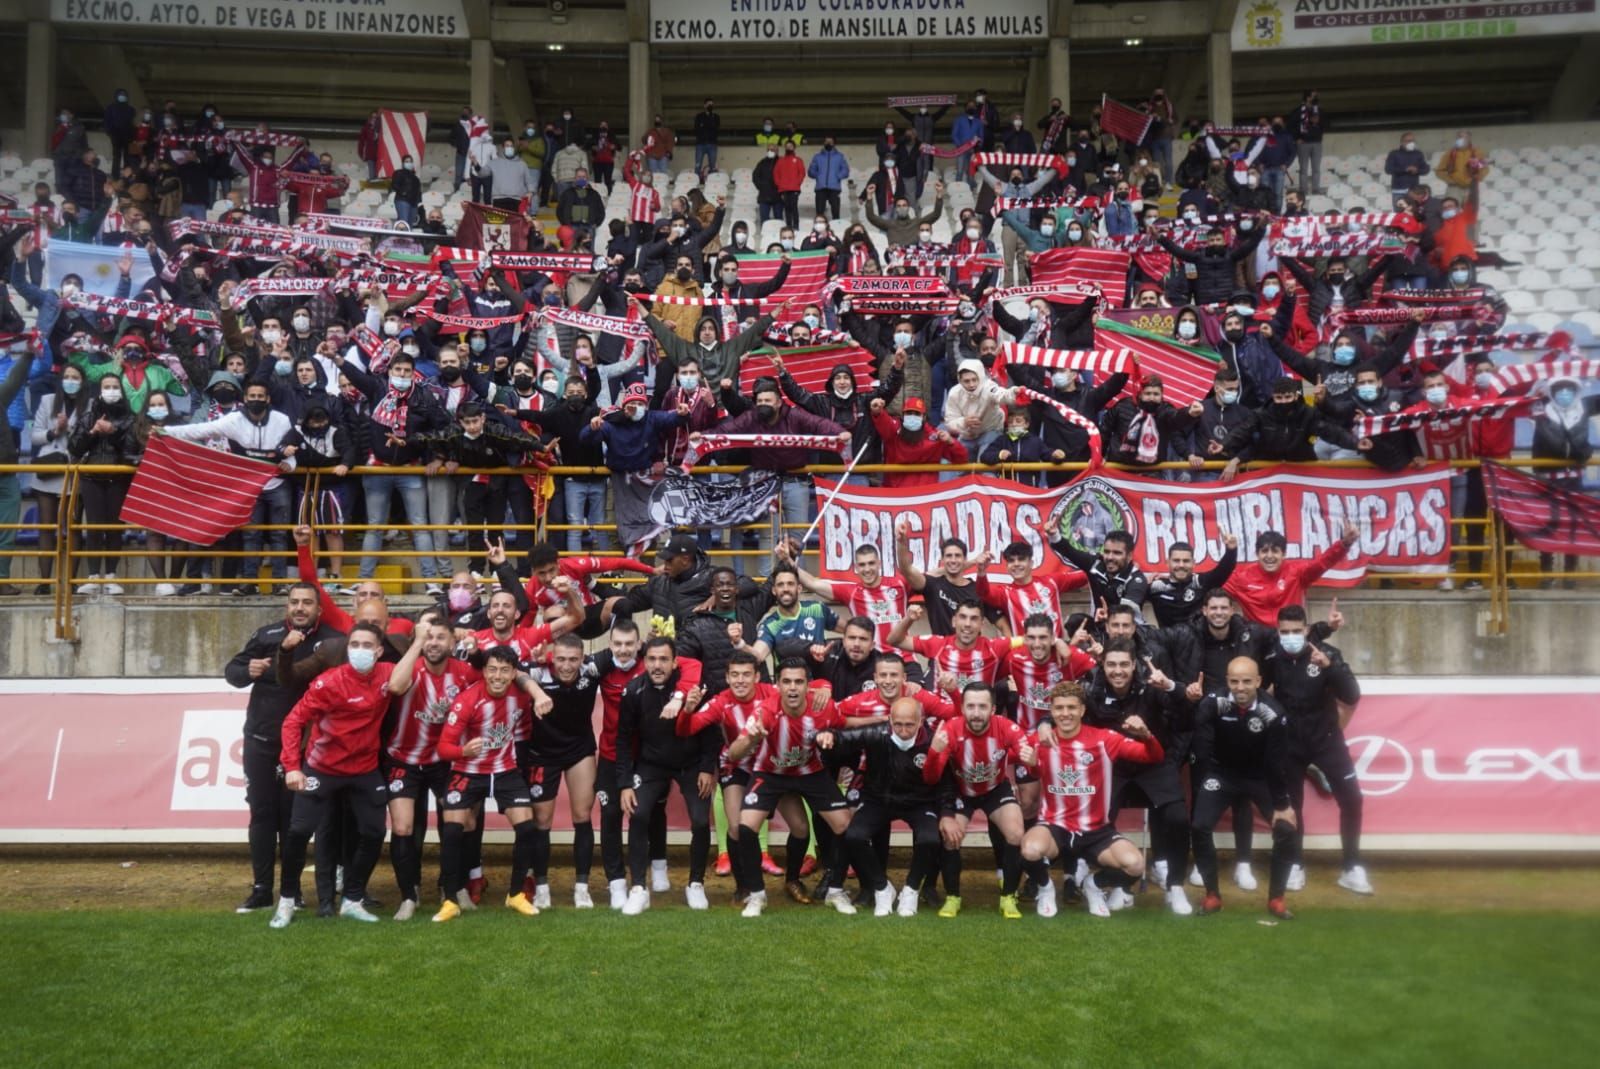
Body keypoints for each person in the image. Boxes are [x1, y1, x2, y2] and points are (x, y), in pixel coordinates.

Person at [268, 622, 420, 928]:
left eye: (367, 646)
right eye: (355, 645)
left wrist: (420, 640)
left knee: (374, 833)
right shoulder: (329, 683)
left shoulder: (387, 674)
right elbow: (293, 722)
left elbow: (404, 679)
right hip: (322, 768)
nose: (360, 651)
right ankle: (286, 901)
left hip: (364, 769)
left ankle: (352, 899)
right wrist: (292, 766)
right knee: (298, 833)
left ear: (378, 651)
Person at [224, 583, 341, 913]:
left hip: (305, 746)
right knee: (262, 815)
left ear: (319, 609)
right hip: (261, 741)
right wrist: (247, 670)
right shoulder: (267, 634)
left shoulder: (331, 641)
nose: (300, 608)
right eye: (294, 602)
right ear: (287, 607)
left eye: (307, 603)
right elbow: (232, 672)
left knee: (295, 820)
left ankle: (293, 890)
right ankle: (261, 889)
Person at [1020, 681, 1166, 918]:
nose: (1065, 714)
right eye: (1059, 708)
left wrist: (1147, 735)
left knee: (1136, 865)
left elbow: (1154, 756)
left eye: (1071, 708)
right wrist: (1031, 762)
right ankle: (1046, 888)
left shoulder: (1104, 739)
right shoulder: (1040, 742)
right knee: (1029, 850)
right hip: (1055, 826)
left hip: (1096, 830)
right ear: (1052, 711)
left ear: (1082, 710)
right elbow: (1034, 771)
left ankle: (1094, 885)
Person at [725, 659, 852, 917]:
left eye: (798, 682)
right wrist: (753, 738)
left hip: (810, 773)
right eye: (786, 682)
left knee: (844, 826)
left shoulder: (822, 706)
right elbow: (733, 754)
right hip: (771, 774)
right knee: (745, 826)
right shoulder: (765, 711)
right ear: (777, 685)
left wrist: (886, 720)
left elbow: (847, 724)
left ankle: (834, 890)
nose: (792, 688)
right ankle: (756, 895)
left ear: (808, 686)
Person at [431, 646, 548, 923]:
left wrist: (539, 694)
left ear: (512, 674)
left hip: (505, 771)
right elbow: (443, 748)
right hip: (468, 770)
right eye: (492, 669)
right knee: (453, 830)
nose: (498, 676)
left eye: (504, 670)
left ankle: (516, 894)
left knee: (528, 827)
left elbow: (531, 691)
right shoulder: (467, 700)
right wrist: (463, 752)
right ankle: (449, 900)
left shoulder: (520, 697)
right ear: (484, 671)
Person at [1264, 606, 1370, 896]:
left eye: (1296, 631)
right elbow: (1259, 691)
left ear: (1307, 630)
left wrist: (1329, 668)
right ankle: (1294, 864)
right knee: (1291, 806)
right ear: (1278, 632)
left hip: (1326, 740)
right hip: (1289, 743)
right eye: (1284, 632)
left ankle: (1351, 867)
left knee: (1352, 799)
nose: (1290, 637)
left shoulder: (1327, 654)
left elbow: (1351, 695)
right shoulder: (1272, 657)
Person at [1082, 639, 1194, 915]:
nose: (1117, 671)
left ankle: (1175, 885)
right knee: (1098, 820)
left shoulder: (1151, 687)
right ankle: (1119, 885)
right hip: (1115, 767)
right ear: (1102, 664)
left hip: (1154, 762)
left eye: (1123, 664)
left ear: (1134, 665)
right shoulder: (1093, 692)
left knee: (1177, 817)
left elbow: (1186, 713)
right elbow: (1068, 712)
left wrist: (1171, 687)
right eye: (1111, 664)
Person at [815, 695, 952, 917]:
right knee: (854, 835)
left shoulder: (933, 742)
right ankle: (882, 888)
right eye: (897, 724)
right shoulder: (878, 733)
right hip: (878, 799)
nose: (903, 730)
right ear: (890, 720)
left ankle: (911, 889)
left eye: (909, 724)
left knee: (930, 838)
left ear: (920, 721)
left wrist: (946, 813)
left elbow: (945, 784)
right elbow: (846, 738)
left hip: (918, 802)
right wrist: (828, 735)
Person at [382, 614, 480, 918]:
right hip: (403, 758)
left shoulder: (464, 673)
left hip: (445, 760)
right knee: (403, 826)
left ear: (453, 642)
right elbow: (395, 687)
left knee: (460, 824)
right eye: (429, 636)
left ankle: (452, 887)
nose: (434, 643)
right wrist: (418, 643)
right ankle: (408, 896)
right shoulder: (410, 666)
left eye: (441, 637)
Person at [1190, 657, 1297, 919]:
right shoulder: (1213, 703)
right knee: (1199, 825)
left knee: (1287, 828)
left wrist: (1283, 806)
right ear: (1227, 681)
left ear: (1259, 682)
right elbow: (1201, 748)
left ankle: (1276, 899)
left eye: (1247, 681)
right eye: (1234, 681)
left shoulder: (1274, 713)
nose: (1240, 687)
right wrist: (1204, 784)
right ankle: (1212, 895)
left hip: (1260, 777)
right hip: (1221, 774)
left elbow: (1276, 763)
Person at [615, 638, 716, 915]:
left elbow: (710, 728)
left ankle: (695, 883)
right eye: (651, 659)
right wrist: (625, 783)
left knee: (699, 820)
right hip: (651, 765)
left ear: (675, 663)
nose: (657, 665)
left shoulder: (693, 689)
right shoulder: (633, 690)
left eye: (663, 660)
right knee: (638, 814)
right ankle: (638, 887)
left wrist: (707, 767)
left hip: (691, 764)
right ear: (644, 661)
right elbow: (623, 739)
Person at [920, 682, 1035, 919]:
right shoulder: (951, 730)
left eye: (982, 706)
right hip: (962, 793)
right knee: (951, 838)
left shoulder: (1007, 727)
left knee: (1015, 832)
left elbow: (1028, 753)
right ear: (962, 708)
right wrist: (934, 752)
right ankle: (953, 897)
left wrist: (1033, 761)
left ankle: (1008, 897)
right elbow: (931, 779)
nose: (976, 712)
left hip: (995, 789)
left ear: (993, 709)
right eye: (970, 706)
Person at [1226, 527, 1358, 626]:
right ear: (1257, 554)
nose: (1269, 556)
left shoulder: (1297, 572)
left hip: (1291, 638)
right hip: (1257, 643)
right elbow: (1213, 585)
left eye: (1275, 551)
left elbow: (1323, 562)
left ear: (1284, 554)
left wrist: (1344, 544)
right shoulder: (1241, 578)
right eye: (1264, 551)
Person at [975, 540, 1087, 639]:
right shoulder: (1005, 593)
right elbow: (983, 593)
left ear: (1031, 563)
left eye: (1021, 559)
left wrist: (1100, 562)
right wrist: (981, 571)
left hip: (1056, 654)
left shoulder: (1051, 582)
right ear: (1007, 566)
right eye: (1011, 561)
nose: (1016, 564)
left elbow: (1086, 575)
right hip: (1025, 657)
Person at [1145, 535, 1239, 628]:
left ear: (1193, 563)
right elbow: (1132, 599)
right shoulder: (1155, 587)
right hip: (1167, 641)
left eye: (1186, 561)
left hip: (1198, 641)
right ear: (1167, 562)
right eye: (1176, 561)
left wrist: (1231, 550)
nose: (1181, 565)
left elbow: (1223, 570)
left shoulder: (1201, 583)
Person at [1383, 131, 1430, 208]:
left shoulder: (1418, 154)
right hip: (1398, 190)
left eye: (1412, 141)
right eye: (1408, 141)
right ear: (1401, 142)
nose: (1411, 143)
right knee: (1399, 214)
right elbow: (1388, 169)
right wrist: (1405, 169)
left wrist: (1417, 170)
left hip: (1414, 191)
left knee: (1415, 213)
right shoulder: (1394, 153)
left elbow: (1426, 169)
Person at [808, 137, 850, 219]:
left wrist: (838, 176)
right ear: (824, 143)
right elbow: (811, 170)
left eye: (830, 142)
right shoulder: (817, 156)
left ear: (834, 144)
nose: (828, 143)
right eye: (826, 141)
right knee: (819, 212)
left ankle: (837, 228)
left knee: (835, 211)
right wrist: (818, 176)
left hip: (834, 187)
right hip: (821, 187)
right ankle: (819, 228)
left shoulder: (840, 156)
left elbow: (845, 170)